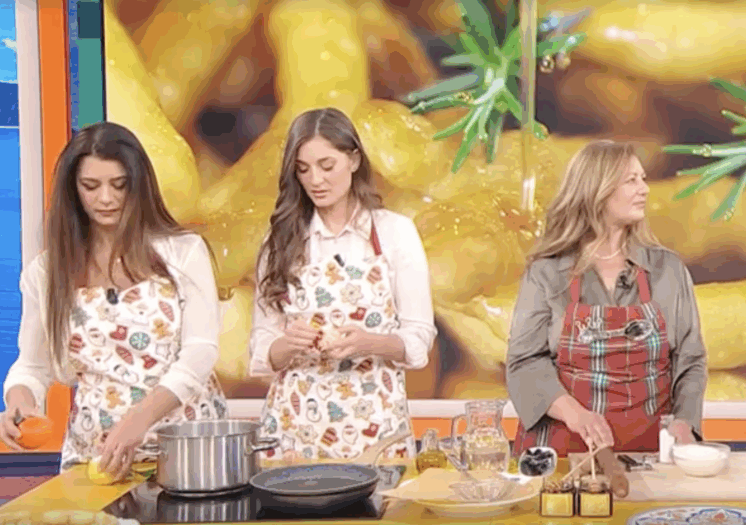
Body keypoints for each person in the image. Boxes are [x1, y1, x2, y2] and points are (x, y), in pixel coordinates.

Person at [0, 122, 228, 478]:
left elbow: (200, 353)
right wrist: (19, 402)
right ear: (72, 190)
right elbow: (31, 367)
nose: (105, 199)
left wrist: (137, 421)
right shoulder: (46, 273)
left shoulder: (183, 253)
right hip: (96, 461)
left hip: (187, 456)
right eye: (91, 186)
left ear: (139, 186)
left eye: (119, 186)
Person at [248, 107, 436, 461]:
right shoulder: (280, 241)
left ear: (353, 160)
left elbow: (418, 340)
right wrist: (287, 345)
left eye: (326, 165)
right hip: (295, 431)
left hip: (375, 430)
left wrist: (370, 342)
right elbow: (261, 348)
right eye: (303, 170)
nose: (315, 180)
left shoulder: (395, 233)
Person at [506, 140, 708, 455]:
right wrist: (575, 414)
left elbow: (690, 360)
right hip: (562, 453)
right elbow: (524, 362)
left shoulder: (668, 269)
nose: (645, 189)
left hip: (650, 455)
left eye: (643, 178)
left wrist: (685, 421)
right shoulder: (546, 273)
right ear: (596, 190)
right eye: (631, 180)